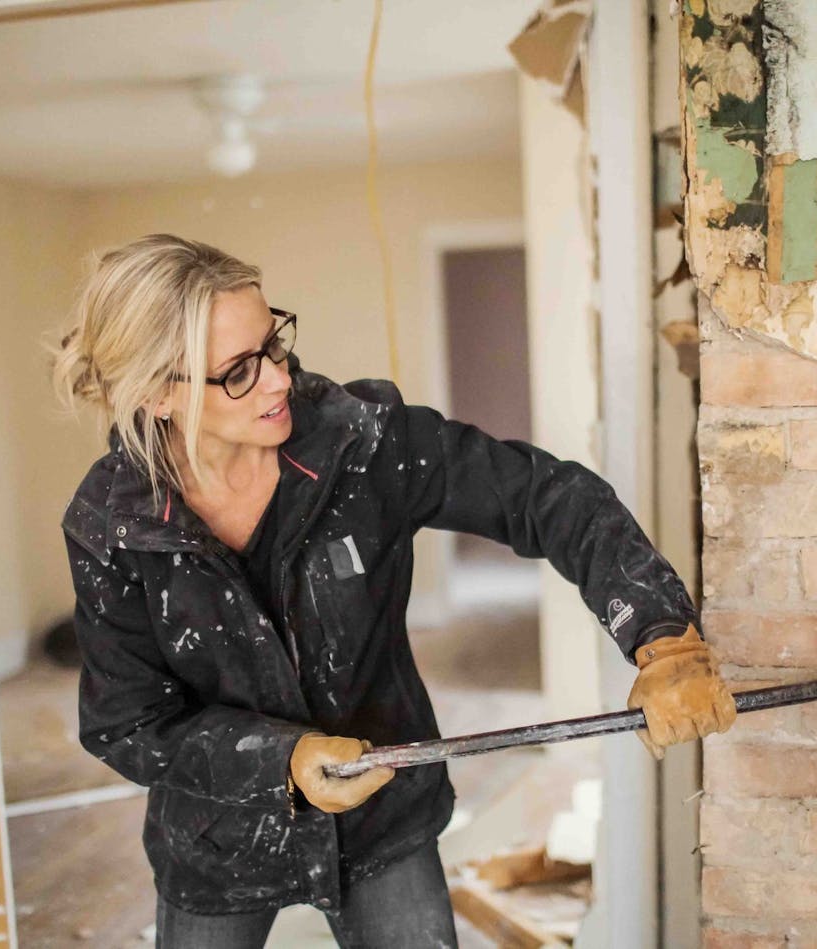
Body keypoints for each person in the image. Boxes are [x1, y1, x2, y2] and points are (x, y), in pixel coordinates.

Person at [52, 234, 737, 948]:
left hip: (383, 820)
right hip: (217, 840)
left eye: (275, 344)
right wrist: (278, 759)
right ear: (159, 392)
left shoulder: (365, 443)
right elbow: (128, 722)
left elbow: (549, 499)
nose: (280, 380)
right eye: (238, 372)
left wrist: (665, 638)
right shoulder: (112, 525)